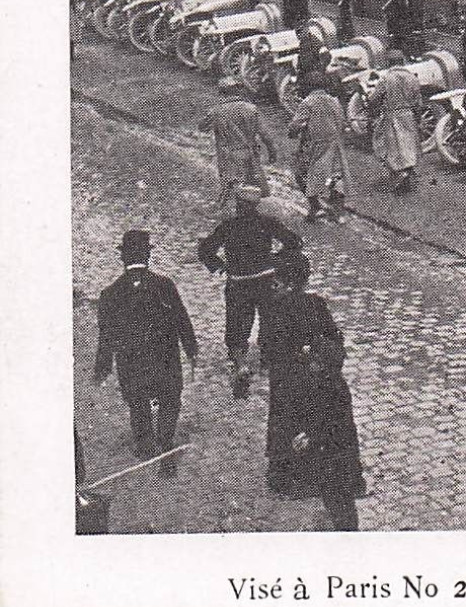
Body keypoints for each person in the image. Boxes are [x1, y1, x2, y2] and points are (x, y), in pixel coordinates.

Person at [93, 230, 197, 477]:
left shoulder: (110, 294)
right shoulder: (164, 285)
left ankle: (145, 444)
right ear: (148, 255)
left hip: (131, 363)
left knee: (138, 402)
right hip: (164, 359)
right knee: (170, 399)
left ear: (123, 258)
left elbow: (106, 335)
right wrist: (191, 349)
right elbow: (182, 320)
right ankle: (165, 439)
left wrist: (103, 366)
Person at [198, 184, 303, 398]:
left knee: (237, 323)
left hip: (239, 282)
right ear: (256, 205)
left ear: (238, 205)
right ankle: (268, 358)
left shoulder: (228, 226)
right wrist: (276, 260)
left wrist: (220, 266)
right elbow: (294, 242)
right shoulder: (267, 223)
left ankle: (240, 363)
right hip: (265, 280)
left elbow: (205, 249)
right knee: (269, 319)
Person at [258, 251, 343, 495]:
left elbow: (267, 345)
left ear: (287, 282)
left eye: (277, 279)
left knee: (285, 421)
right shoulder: (316, 304)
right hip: (311, 377)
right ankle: (311, 472)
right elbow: (333, 337)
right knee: (311, 419)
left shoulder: (273, 308)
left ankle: (283, 473)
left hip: (286, 378)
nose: (272, 283)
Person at [287, 334, 366, 531]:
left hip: (337, 461)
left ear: (323, 365)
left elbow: (332, 428)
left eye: (313, 360)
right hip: (334, 458)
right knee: (336, 500)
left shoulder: (332, 390)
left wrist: (310, 438)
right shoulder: (327, 385)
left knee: (340, 503)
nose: (309, 363)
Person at [199, 78, 278, 213]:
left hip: (228, 155)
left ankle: (225, 208)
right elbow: (266, 135)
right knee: (251, 182)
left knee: (229, 182)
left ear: (222, 92)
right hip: (250, 153)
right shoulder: (251, 109)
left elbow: (202, 127)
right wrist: (272, 152)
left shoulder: (216, 111)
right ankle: (247, 210)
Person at [289, 73, 351, 222]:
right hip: (334, 144)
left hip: (314, 145)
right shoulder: (334, 101)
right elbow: (342, 122)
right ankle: (339, 211)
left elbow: (295, 126)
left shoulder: (307, 103)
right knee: (334, 177)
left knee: (302, 174)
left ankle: (316, 205)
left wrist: (293, 132)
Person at [367, 52, 422, 193]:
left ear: (389, 63)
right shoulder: (412, 78)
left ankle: (400, 173)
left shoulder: (387, 78)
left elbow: (374, 98)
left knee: (392, 146)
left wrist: (372, 105)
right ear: (402, 61)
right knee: (408, 144)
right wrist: (418, 116)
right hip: (408, 114)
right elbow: (418, 101)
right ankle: (407, 172)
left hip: (392, 115)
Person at [294, 25, 331, 94]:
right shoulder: (311, 40)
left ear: (306, 30)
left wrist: (320, 67)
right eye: (297, 33)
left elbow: (326, 55)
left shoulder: (309, 41)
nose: (298, 35)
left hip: (312, 74)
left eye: (300, 32)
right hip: (315, 72)